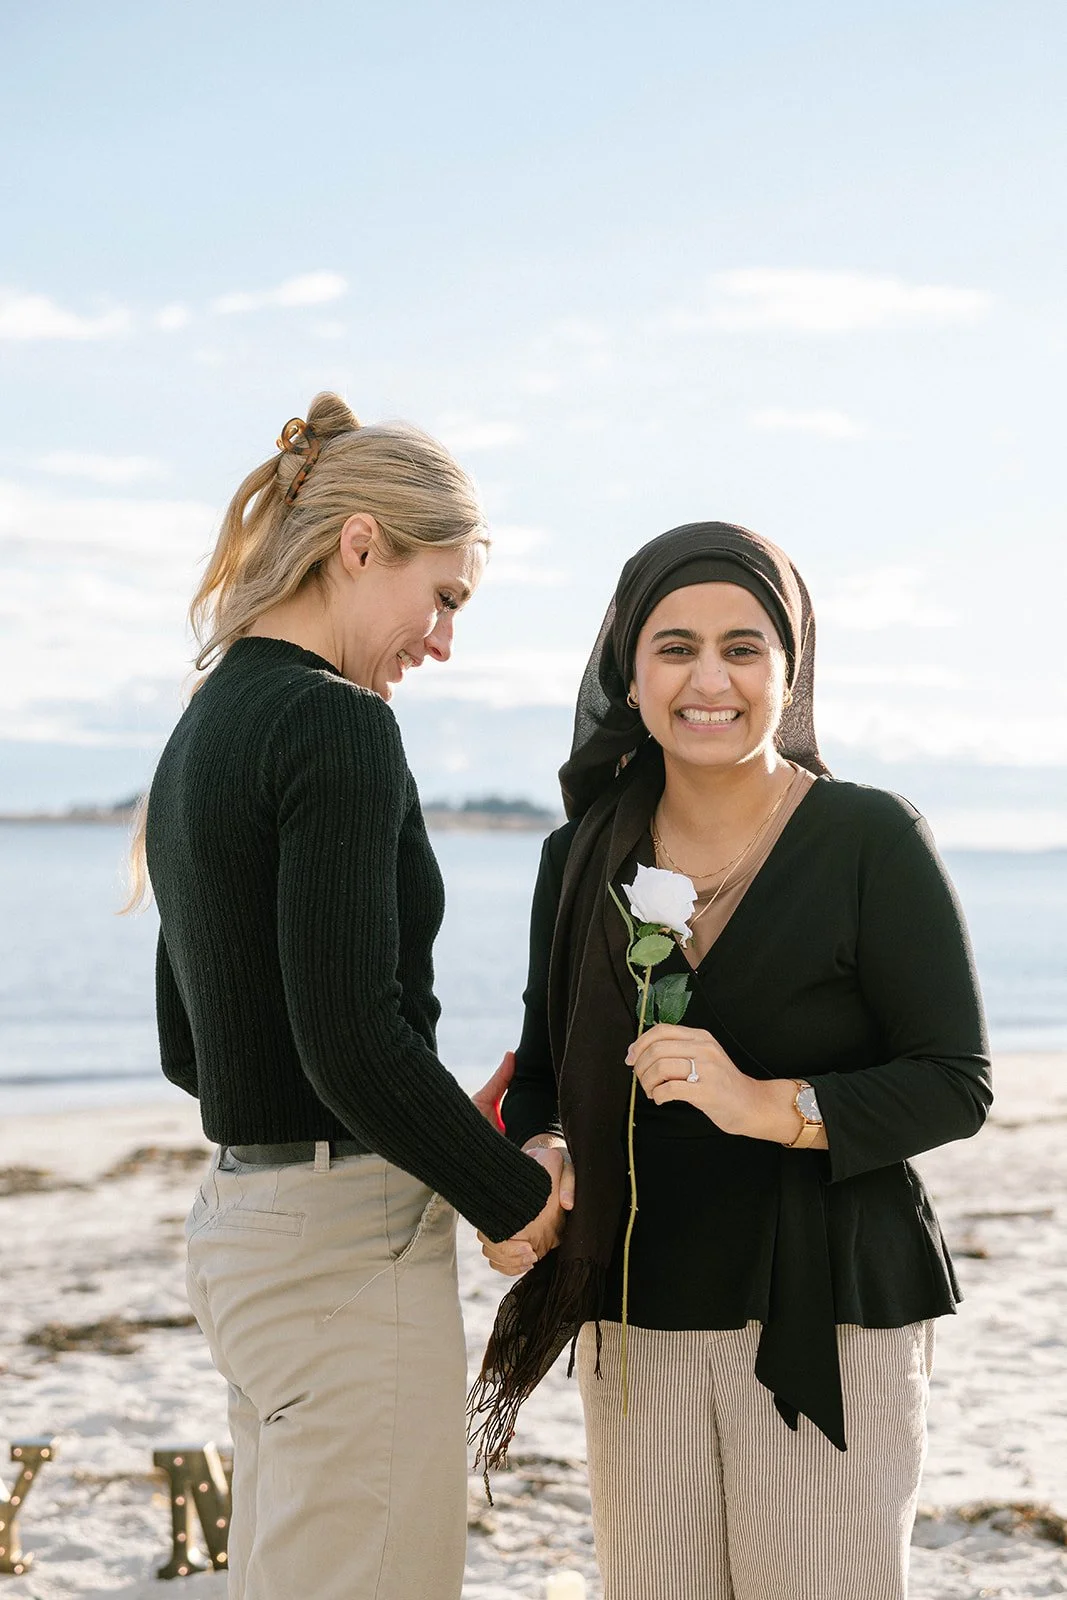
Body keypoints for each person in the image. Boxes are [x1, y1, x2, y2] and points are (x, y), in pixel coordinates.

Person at [470, 521, 991, 1600]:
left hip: (824, 1304)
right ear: (629, 666)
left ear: (788, 670)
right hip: (632, 1298)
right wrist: (546, 1153)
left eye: (742, 647)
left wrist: (770, 1105)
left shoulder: (867, 837)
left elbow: (953, 1078)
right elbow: (539, 1071)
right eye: (673, 646)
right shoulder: (580, 856)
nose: (708, 678)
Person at [139, 393, 565, 1600]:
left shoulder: (204, 725)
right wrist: (509, 1192)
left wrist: (426, 1120)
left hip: (245, 1242)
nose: (441, 641)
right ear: (362, 542)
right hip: (338, 1251)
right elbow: (345, 1041)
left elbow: (196, 1049)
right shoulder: (337, 727)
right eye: (445, 597)